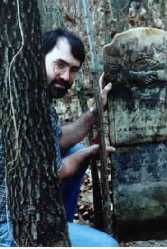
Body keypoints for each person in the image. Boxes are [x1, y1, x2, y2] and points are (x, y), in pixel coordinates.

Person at [0, 29, 117, 246]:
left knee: (73, 151)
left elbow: (59, 138)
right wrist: (89, 152)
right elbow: (55, 172)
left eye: (73, 69)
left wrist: (96, 111)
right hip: (7, 224)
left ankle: (60, 226)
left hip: (23, 207)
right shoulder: (23, 102)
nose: (65, 76)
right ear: (38, 58)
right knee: (106, 245)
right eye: (60, 65)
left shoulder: (36, 92)